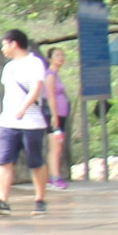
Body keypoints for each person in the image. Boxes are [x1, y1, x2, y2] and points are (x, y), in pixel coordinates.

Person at [0, 29, 52, 216]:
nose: (3, 48)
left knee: (35, 162)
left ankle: (40, 199)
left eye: (4, 44)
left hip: (31, 122)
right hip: (8, 122)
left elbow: (36, 88)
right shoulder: (8, 67)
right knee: (4, 161)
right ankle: (3, 200)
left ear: (14, 43)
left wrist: (23, 108)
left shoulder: (35, 63)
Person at [44, 47, 75, 189]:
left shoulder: (56, 75)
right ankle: (55, 177)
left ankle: (53, 176)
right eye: (57, 55)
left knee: (59, 146)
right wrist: (54, 116)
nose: (61, 57)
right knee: (55, 147)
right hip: (54, 116)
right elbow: (50, 97)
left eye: (62, 55)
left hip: (61, 115)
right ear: (50, 59)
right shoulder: (50, 75)